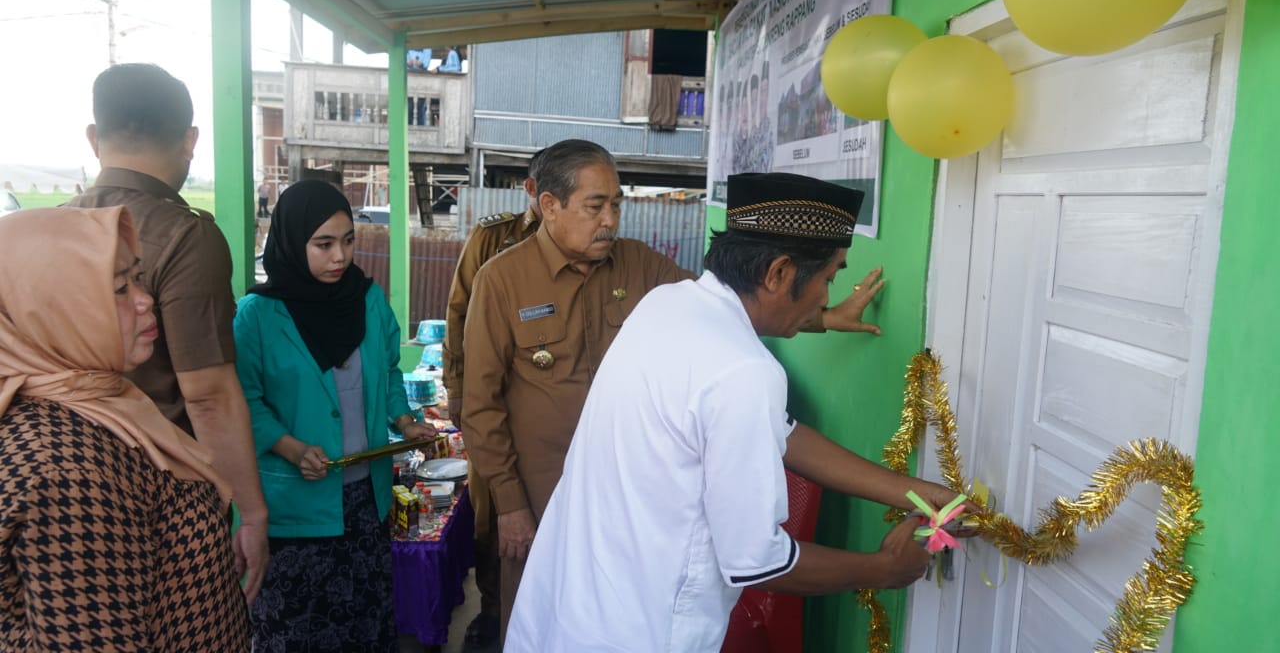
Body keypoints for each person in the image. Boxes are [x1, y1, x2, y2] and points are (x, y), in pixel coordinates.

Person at [505, 173, 963, 651]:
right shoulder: (742, 369)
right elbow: (756, 561)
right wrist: (882, 570)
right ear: (778, 274)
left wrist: (914, 493)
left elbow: (783, 434)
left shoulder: (669, 304)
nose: (828, 297)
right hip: (641, 629)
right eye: (829, 277)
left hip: (567, 607)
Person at [0, 206, 251, 650]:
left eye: (137, 277)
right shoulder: (65, 469)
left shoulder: (95, 403)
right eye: (119, 287)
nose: (144, 298)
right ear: (50, 309)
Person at [67, 63, 270, 603]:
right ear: (189, 140)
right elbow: (206, 395)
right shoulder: (184, 236)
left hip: (60, 499)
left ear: (94, 137)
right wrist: (250, 511)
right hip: (162, 500)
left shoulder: (47, 233)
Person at [234, 179, 436, 652]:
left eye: (348, 241)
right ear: (290, 241)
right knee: (299, 633)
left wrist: (405, 423)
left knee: (364, 627)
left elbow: (386, 374)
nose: (339, 257)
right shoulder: (256, 316)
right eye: (323, 244)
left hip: (365, 503)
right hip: (293, 514)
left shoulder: (367, 300)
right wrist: (291, 447)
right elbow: (244, 400)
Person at [441, 151, 542, 650]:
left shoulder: (593, 251)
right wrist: (457, 389)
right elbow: (458, 312)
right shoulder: (493, 238)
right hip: (491, 402)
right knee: (489, 514)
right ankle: (493, 609)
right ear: (532, 190)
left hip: (547, 412)